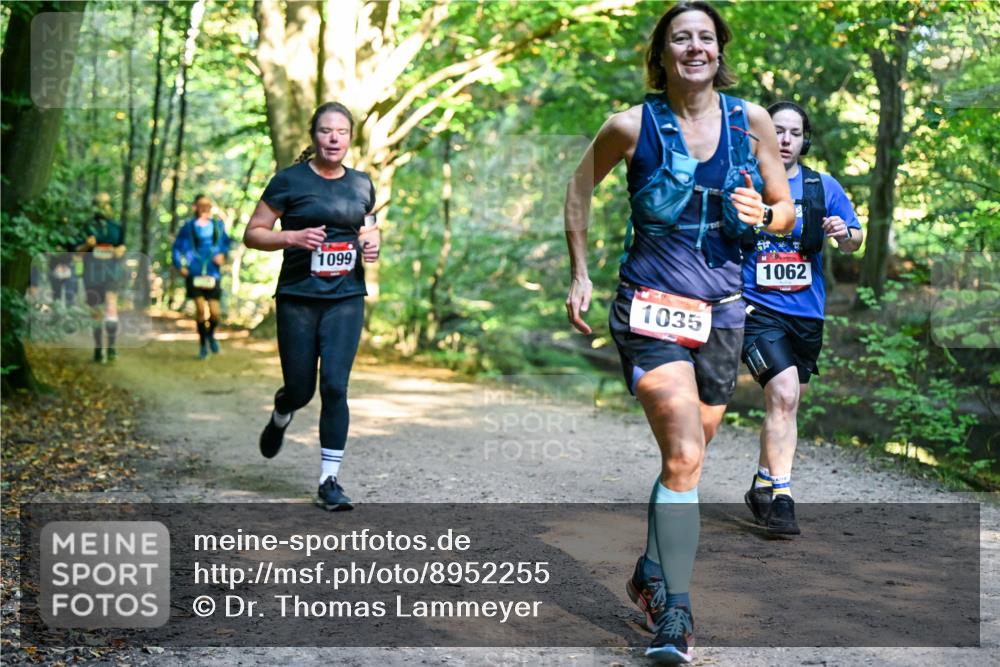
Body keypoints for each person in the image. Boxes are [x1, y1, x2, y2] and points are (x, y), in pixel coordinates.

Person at [563, 2, 794, 662]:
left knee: (683, 462)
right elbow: (578, 189)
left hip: (722, 312)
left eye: (705, 37)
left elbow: (785, 210)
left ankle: (649, 573)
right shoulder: (631, 126)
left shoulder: (749, 121)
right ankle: (677, 614)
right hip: (649, 308)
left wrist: (764, 211)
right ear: (661, 54)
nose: (694, 47)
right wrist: (580, 271)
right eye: (679, 37)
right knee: (687, 452)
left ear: (719, 50)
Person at [244, 101, 380, 512]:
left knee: (335, 386)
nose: (333, 138)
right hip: (299, 299)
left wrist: (372, 244)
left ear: (350, 137)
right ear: (314, 136)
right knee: (302, 389)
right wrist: (292, 238)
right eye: (325, 131)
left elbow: (369, 229)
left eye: (341, 131)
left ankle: (329, 480)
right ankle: (283, 409)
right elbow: (253, 233)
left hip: (346, 298)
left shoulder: (361, 184)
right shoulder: (288, 182)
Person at [740, 101, 863, 535]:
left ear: (804, 140)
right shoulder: (745, 181)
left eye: (794, 132)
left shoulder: (821, 185)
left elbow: (855, 240)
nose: (786, 139)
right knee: (785, 395)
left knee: (785, 405)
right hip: (756, 310)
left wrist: (843, 233)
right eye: (778, 131)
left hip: (808, 315)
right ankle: (782, 498)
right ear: (763, 136)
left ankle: (760, 483)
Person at [172, 194, 232, 359]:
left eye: (208, 205)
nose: (205, 207)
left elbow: (227, 244)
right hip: (195, 272)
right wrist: (180, 266)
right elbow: (176, 248)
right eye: (201, 205)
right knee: (200, 310)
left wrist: (222, 255)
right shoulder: (188, 227)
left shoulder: (218, 226)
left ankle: (211, 335)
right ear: (195, 207)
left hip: (213, 273)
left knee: (214, 313)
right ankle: (203, 345)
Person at [78, 193, 127, 363]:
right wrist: (86, 245)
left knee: (111, 307)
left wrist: (120, 251)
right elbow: (75, 253)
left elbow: (122, 246)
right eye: (99, 204)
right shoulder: (86, 227)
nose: (103, 207)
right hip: (91, 274)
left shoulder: (117, 226)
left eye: (106, 204)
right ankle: (98, 348)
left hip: (112, 273)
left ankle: (112, 348)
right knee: (96, 312)